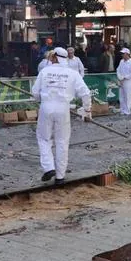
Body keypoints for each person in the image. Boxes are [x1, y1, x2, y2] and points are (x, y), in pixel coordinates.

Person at [31, 53, 92, 185]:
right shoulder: (73, 73)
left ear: (54, 58)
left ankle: (48, 167)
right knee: (62, 141)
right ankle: (60, 176)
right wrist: (87, 110)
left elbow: (35, 92)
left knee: (44, 138)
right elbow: (86, 93)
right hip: (63, 108)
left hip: (46, 107)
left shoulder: (44, 71)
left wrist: (40, 98)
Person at [116, 48, 131, 115]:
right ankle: (122, 110)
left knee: (127, 97)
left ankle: (127, 111)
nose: (122, 55)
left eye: (123, 54)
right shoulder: (121, 61)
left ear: (127, 54)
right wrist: (119, 77)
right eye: (122, 54)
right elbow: (118, 70)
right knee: (121, 97)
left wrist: (124, 77)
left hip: (128, 82)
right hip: (121, 81)